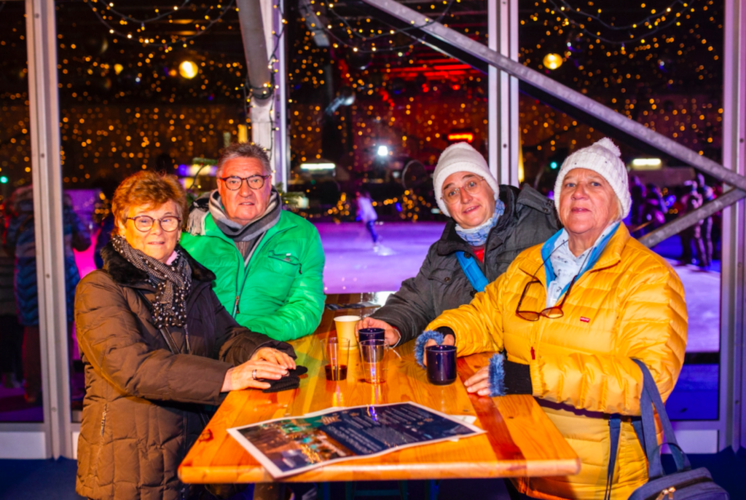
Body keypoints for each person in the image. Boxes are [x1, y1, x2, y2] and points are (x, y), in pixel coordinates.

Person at [420, 138, 686, 500]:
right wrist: (447, 331)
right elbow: (486, 314)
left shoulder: (647, 277)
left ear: (618, 201)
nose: (579, 193)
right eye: (570, 184)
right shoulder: (529, 263)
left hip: (597, 481)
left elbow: (647, 382)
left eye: (595, 184)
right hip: (527, 462)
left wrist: (531, 377)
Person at [74, 171, 297, 500]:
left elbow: (227, 335)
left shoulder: (191, 280)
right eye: (144, 220)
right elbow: (135, 369)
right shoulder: (99, 288)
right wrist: (231, 376)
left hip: (197, 443)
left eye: (167, 220)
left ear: (180, 226)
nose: (157, 231)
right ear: (121, 225)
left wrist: (260, 350)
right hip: (133, 463)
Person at [359, 142, 560, 347]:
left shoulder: (544, 226)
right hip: (467, 370)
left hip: (534, 368)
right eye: (452, 192)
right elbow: (416, 302)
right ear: (446, 206)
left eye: (471, 184)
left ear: (490, 186)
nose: (465, 197)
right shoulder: (442, 253)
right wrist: (391, 325)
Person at [181, 143, 325, 342]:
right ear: (220, 185)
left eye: (255, 180)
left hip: (267, 346)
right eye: (234, 181)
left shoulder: (301, 234)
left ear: (268, 182)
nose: (245, 191)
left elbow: (306, 308)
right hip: (202, 349)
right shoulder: (188, 233)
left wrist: (244, 335)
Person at [3, 186, 91, 403]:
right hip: (62, 274)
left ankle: (33, 389)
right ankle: (66, 386)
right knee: (63, 330)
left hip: (28, 276)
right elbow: (84, 241)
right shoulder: (64, 212)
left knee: (32, 334)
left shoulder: (19, 216)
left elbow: (9, 246)